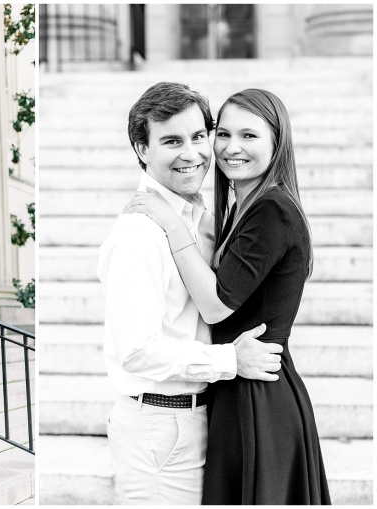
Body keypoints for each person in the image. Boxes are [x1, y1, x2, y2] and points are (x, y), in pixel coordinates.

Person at [124, 88, 331, 504]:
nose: (231, 148)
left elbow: (217, 305)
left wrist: (173, 225)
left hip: (257, 394)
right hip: (236, 387)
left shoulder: (273, 209)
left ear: (277, 142)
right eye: (223, 133)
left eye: (250, 136)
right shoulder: (243, 205)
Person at [97, 82, 284, 505]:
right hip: (159, 426)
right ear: (142, 149)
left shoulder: (200, 217)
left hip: (199, 414)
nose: (192, 153)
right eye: (171, 141)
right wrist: (232, 360)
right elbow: (137, 350)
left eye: (199, 137)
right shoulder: (140, 233)